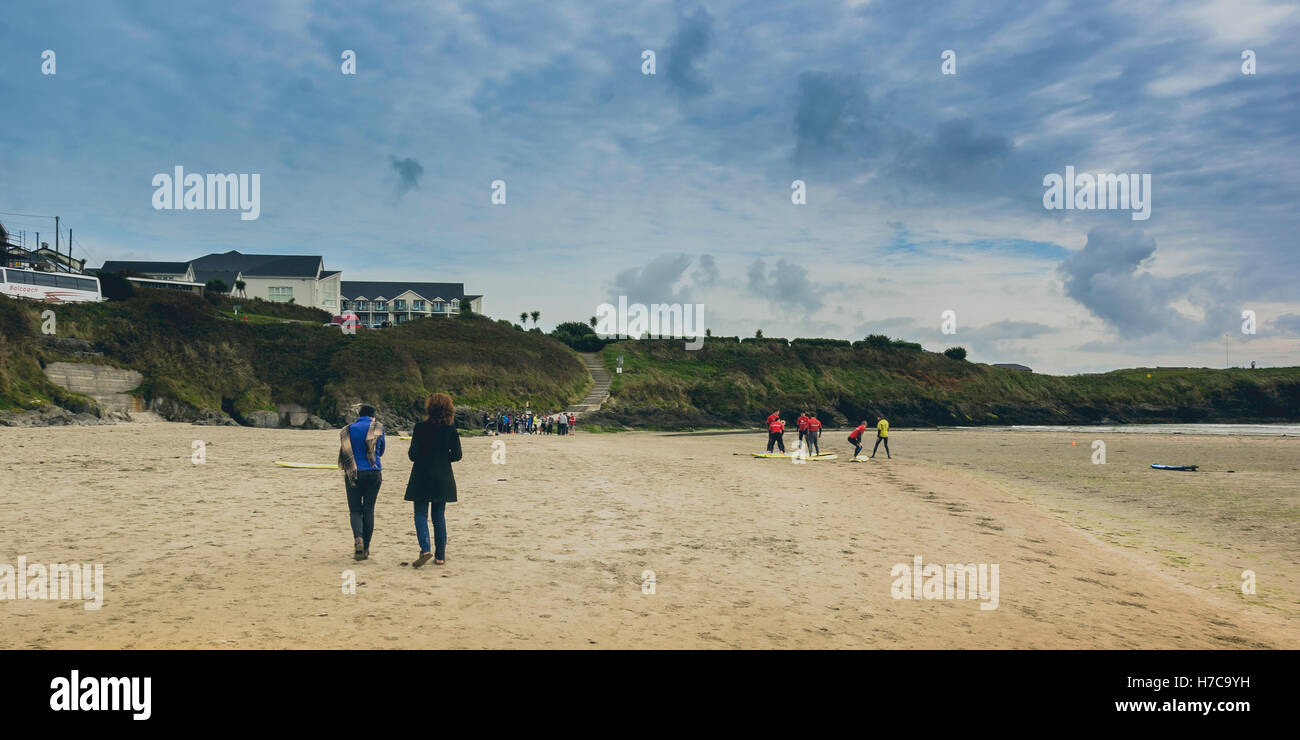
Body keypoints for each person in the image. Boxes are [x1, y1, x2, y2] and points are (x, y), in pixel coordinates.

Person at [405, 393, 463, 568]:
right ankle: (440, 556)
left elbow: (412, 455)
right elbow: (458, 455)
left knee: (420, 515)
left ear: (429, 408)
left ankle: (425, 549)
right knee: (439, 517)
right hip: (443, 477)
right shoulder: (451, 429)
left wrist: (425, 456)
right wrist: (443, 460)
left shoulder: (420, 427)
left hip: (421, 475)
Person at [339, 404, 385, 561]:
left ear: (359, 415)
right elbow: (381, 450)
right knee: (369, 510)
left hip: (353, 472)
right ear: (373, 416)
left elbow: (344, 452)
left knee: (355, 510)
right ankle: (365, 549)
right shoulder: (378, 427)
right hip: (373, 472)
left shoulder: (347, 430)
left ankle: (358, 538)